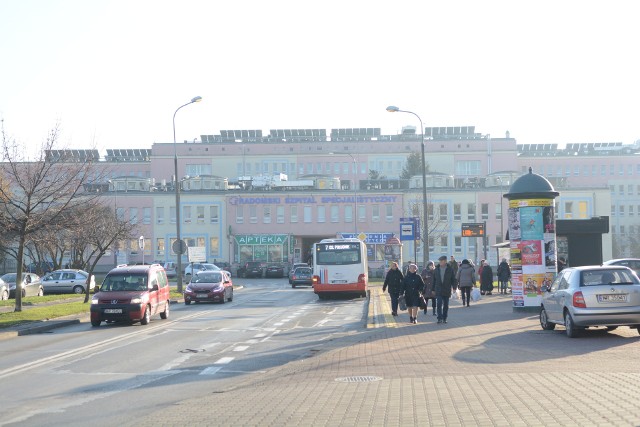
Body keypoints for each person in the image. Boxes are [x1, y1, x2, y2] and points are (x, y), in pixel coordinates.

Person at [433, 255, 456, 324]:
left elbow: (453, 279)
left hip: (446, 289)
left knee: (446, 305)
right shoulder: (436, 269)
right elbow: (434, 280)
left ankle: (444, 318)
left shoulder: (450, 269)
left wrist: (454, 287)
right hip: (438, 289)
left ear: (445, 261)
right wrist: (432, 289)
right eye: (440, 261)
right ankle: (439, 318)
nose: (440, 262)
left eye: (442, 261)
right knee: (439, 304)